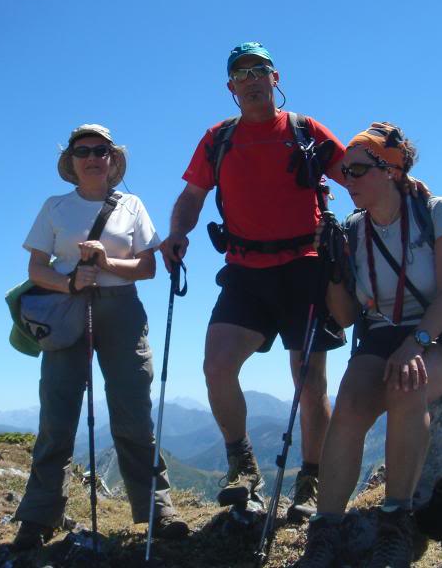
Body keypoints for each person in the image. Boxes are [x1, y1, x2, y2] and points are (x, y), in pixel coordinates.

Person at [159, 42, 348, 523]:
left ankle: (311, 477)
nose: (251, 79)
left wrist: (401, 185)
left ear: (275, 77)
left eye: (259, 70)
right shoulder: (218, 138)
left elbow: (355, 175)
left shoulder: (305, 130)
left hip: (306, 265)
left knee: (309, 381)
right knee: (217, 366)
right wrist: (177, 233)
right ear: (231, 88)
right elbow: (192, 195)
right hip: (246, 270)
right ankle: (242, 466)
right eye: (241, 73)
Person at [296, 122, 442, 568]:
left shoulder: (436, 211)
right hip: (381, 330)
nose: (346, 180)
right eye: (344, 171)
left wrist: (417, 343)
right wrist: (332, 267)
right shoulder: (354, 230)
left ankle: (397, 521)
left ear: (389, 171)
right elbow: (348, 315)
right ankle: (326, 528)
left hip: (440, 327)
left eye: (356, 170)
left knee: (406, 387)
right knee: (350, 405)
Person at [12, 124, 189, 549]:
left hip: (121, 309)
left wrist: (105, 262)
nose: (92, 157)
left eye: (100, 151)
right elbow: (36, 270)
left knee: (132, 411)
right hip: (71, 309)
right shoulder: (55, 207)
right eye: (83, 151)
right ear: (72, 162)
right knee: (57, 413)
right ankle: (38, 516)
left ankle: (157, 509)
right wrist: (71, 282)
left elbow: (147, 267)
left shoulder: (132, 205)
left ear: (112, 160)